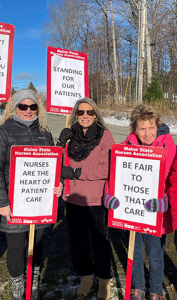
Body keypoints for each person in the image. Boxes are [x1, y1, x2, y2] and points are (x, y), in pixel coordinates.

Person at [0, 89, 62, 300]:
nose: (28, 111)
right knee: (16, 246)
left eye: (32, 106)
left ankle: (34, 279)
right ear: (14, 107)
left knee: (37, 243)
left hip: (39, 202)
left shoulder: (44, 132)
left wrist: (59, 184)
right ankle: (18, 283)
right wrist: (1, 201)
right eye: (23, 106)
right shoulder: (4, 132)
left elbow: (54, 165)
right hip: (14, 202)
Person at [105, 104, 176, 300]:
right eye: (142, 128)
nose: (147, 133)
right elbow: (115, 176)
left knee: (155, 254)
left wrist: (166, 201)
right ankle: (138, 287)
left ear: (158, 126)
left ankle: (155, 290)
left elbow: (174, 180)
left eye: (151, 127)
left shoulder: (169, 147)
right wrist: (109, 195)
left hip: (155, 213)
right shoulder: (125, 147)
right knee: (134, 252)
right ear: (134, 129)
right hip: (132, 212)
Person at [57, 97, 114, 300]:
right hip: (73, 198)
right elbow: (60, 165)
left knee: (100, 241)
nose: (85, 116)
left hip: (96, 199)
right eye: (81, 112)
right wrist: (60, 143)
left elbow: (106, 168)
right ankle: (86, 276)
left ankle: (104, 278)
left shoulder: (104, 136)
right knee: (78, 242)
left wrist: (76, 172)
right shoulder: (70, 135)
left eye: (90, 112)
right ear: (75, 114)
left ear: (95, 114)